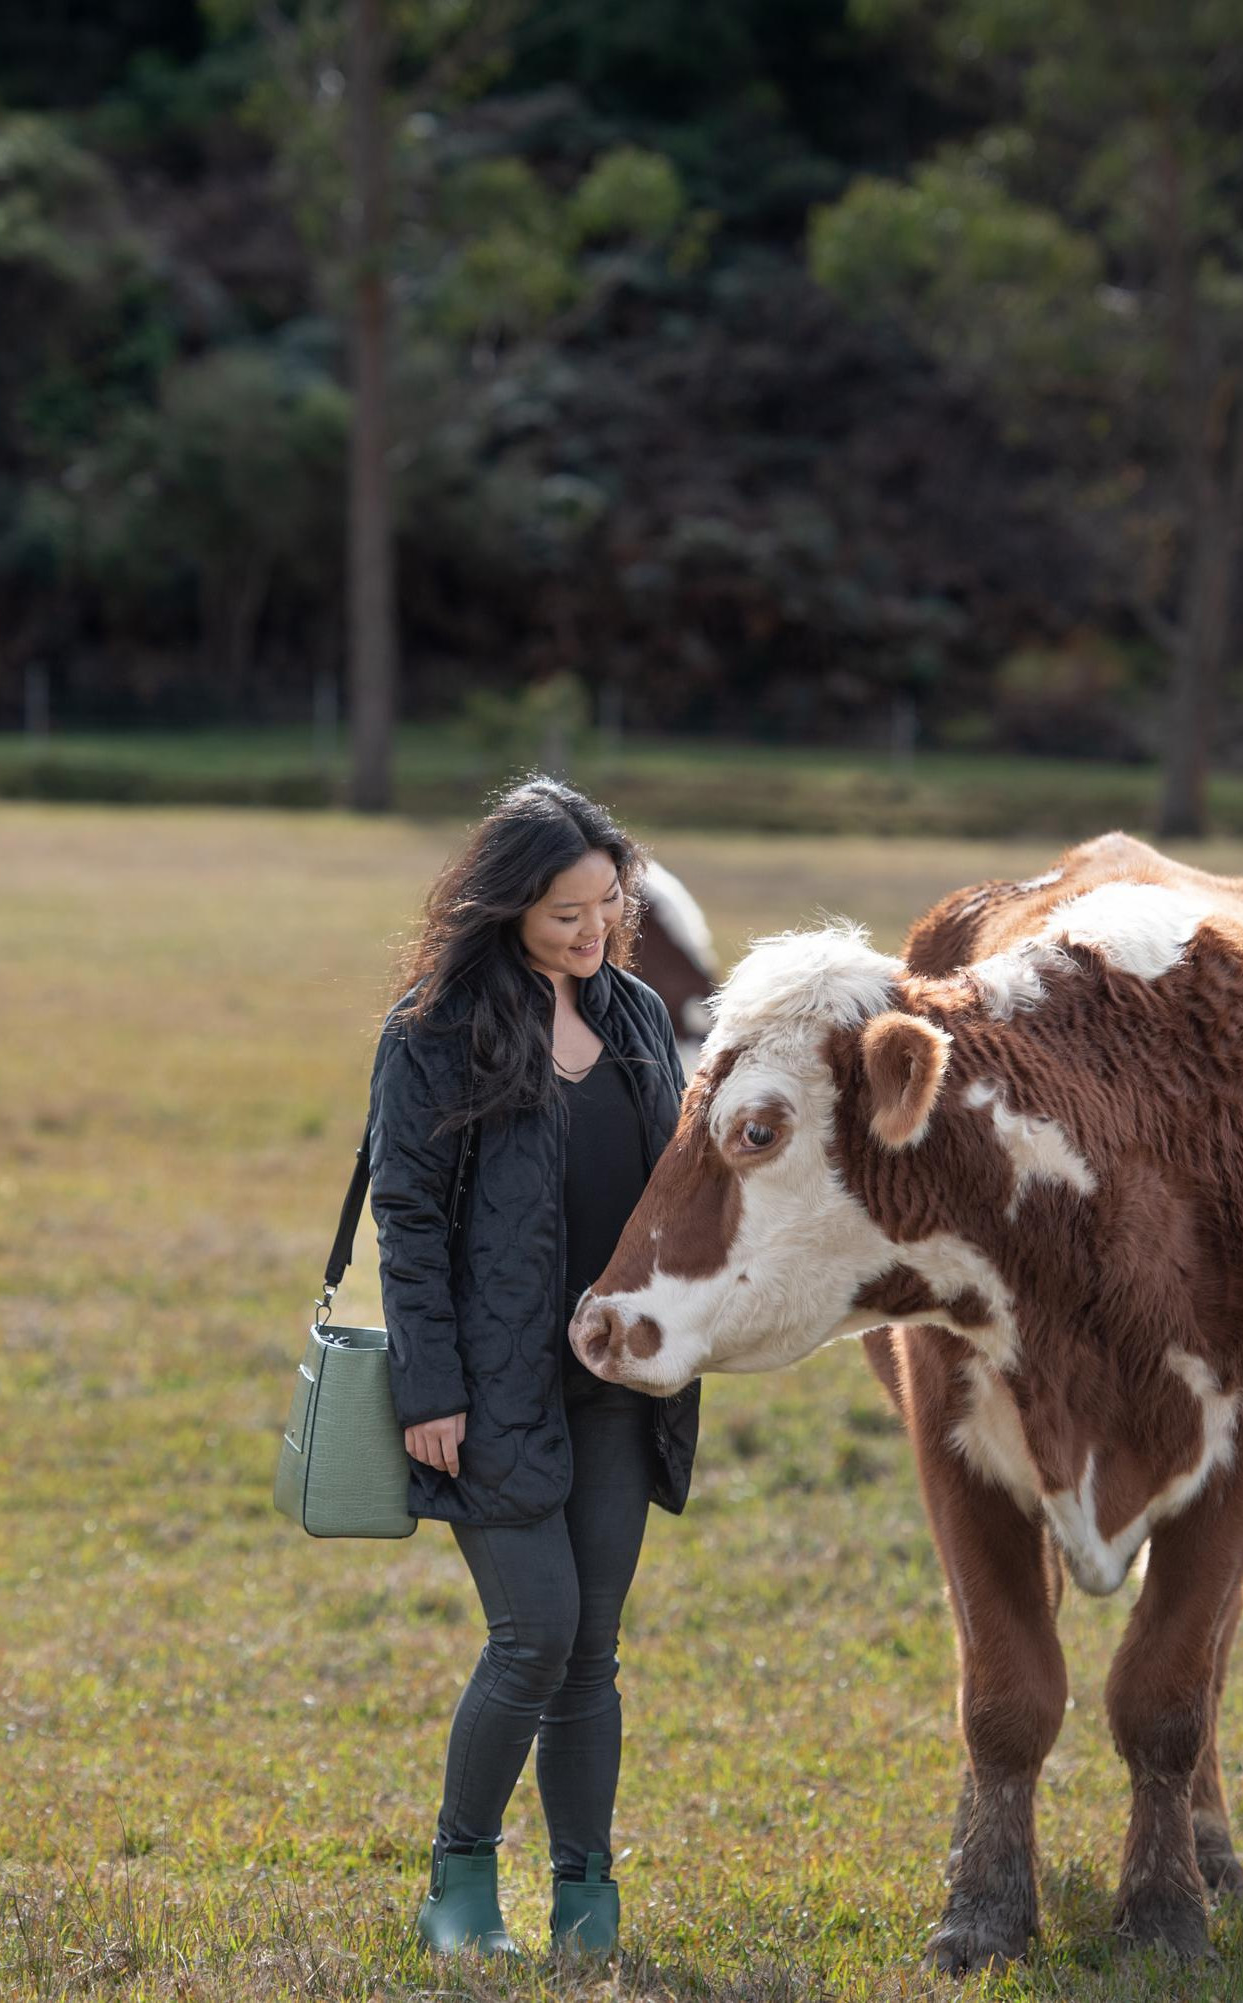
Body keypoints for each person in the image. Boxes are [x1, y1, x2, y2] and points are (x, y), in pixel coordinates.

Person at [366, 775, 702, 1958]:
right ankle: (458, 1890)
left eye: (609, 902)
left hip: (622, 1384)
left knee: (593, 1649)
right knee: (535, 1634)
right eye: (565, 911)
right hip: (492, 1387)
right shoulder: (435, 1031)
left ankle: (585, 1902)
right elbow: (406, 1216)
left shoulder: (643, 1017)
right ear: (505, 903)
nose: (593, 929)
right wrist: (431, 1387)